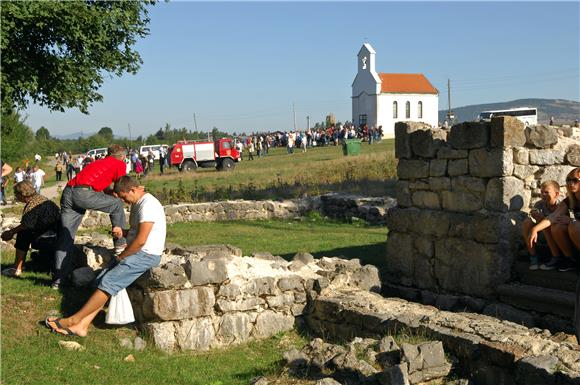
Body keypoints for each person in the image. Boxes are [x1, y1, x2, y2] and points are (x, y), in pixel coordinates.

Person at [45, 176, 166, 337]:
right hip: (138, 252)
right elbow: (137, 232)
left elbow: (142, 241)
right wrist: (124, 233)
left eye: (124, 197)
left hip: (145, 254)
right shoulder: (139, 203)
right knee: (102, 279)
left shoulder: (148, 205)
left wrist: (123, 256)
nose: (124, 201)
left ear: (133, 190)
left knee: (108, 282)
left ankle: (74, 320)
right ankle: (82, 326)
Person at [52, 144, 128, 290]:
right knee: (117, 205)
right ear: (123, 156)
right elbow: (121, 187)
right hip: (84, 193)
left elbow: (101, 184)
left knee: (66, 237)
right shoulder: (119, 163)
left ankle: (58, 280)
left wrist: (109, 194)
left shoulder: (98, 162)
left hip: (69, 191)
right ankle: (120, 243)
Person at [1, 181, 60, 277]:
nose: (16, 196)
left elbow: (26, 225)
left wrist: (11, 232)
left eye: (16, 194)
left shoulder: (33, 206)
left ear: (22, 194)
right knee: (25, 232)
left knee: (23, 234)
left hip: (47, 237)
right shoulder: (43, 200)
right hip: (57, 234)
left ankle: (17, 268)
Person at [529, 168, 580, 273]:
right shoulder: (569, 200)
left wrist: (571, 221)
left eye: (575, 180)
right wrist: (535, 229)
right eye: (568, 180)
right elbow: (552, 217)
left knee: (573, 225)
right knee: (557, 225)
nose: (571, 183)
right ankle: (570, 260)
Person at [521, 180, 561, 270]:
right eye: (542, 192)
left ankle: (556, 257)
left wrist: (542, 219)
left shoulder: (561, 206)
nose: (543, 195)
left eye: (546, 192)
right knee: (527, 222)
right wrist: (535, 214)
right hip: (542, 235)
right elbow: (534, 214)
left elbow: (557, 223)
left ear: (556, 194)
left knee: (546, 226)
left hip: (555, 235)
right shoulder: (539, 204)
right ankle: (533, 256)